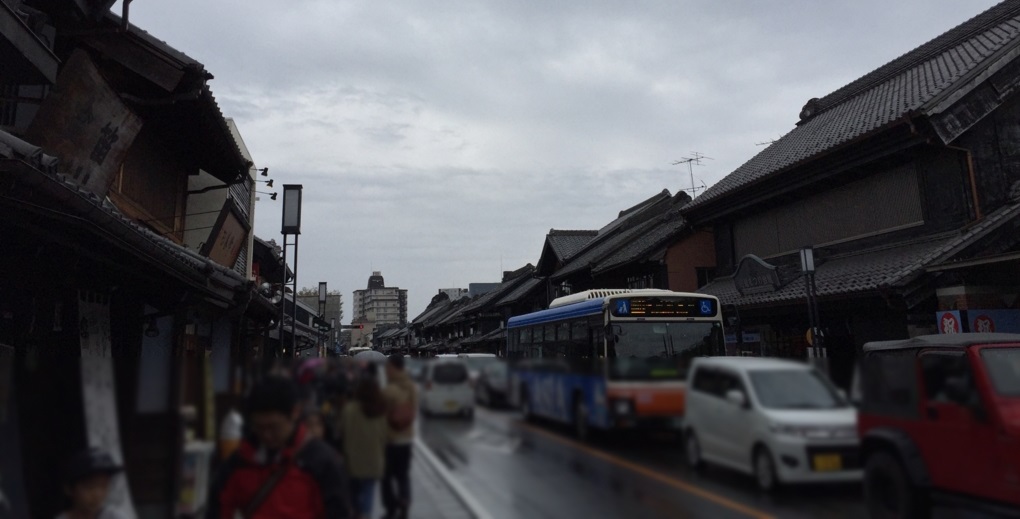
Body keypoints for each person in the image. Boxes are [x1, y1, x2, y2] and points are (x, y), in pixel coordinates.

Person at [206, 376, 351, 519]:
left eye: (274, 427)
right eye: (259, 427)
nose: (267, 435)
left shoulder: (322, 462)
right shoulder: (239, 461)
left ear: (295, 413)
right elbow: (218, 508)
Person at [340, 365, 389, 519]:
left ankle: (356, 512)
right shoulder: (380, 409)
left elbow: (342, 432)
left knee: (353, 491)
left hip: (352, 458)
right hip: (373, 458)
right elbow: (384, 435)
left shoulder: (350, 409)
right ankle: (365, 515)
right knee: (368, 492)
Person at [380, 355, 417, 519]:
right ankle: (404, 504)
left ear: (394, 368)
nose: (386, 372)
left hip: (390, 439)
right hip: (406, 438)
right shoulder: (412, 387)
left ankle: (391, 507)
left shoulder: (389, 390)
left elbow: (380, 414)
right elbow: (413, 411)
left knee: (386, 476)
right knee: (403, 475)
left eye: (388, 368)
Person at [56, 447, 128, 519]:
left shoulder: (114, 516)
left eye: (104, 486)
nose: (97, 494)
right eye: (89, 486)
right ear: (68, 489)